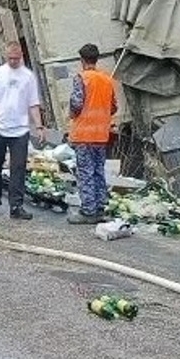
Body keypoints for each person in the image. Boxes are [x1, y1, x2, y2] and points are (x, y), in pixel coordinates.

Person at [0, 40, 45, 221]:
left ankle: (16, 205)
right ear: (5, 56)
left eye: (16, 58)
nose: (13, 61)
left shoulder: (28, 77)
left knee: (18, 168)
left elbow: (33, 104)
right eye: (10, 58)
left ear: (21, 56)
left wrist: (38, 126)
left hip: (20, 130)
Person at [66, 43, 117, 224]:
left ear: (82, 60)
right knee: (98, 171)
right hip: (101, 136)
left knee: (86, 173)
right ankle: (101, 208)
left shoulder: (82, 78)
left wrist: (72, 113)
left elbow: (77, 103)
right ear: (96, 59)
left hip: (84, 135)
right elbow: (113, 107)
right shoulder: (107, 79)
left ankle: (88, 211)